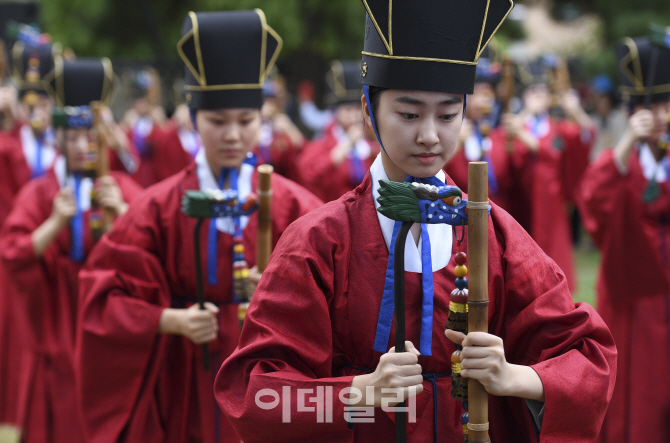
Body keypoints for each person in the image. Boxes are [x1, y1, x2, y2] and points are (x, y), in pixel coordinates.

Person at [215, 1, 616, 442]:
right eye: (408, 114)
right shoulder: (318, 240)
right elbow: (254, 395)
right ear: (370, 111)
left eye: (447, 115)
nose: (429, 135)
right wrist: (359, 392)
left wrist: (515, 376)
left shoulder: (493, 233)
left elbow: (590, 358)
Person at [74, 10, 323, 443]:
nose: (232, 135)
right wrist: (169, 319)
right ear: (193, 119)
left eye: (245, 121)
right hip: (188, 376)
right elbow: (104, 296)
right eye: (217, 121)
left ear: (262, 120)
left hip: (270, 378)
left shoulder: (295, 205)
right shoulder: (158, 208)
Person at [0, 57, 142, 443]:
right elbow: (11, 252)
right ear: (58, 137)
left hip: (111, 319)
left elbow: (153, 250)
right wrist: (53, 224)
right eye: (73, 137)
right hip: (58, 320)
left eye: (90, 136)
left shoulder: (121, 189)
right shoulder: (42, 191)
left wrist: (122, 214)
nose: (83, 146)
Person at [576, 35, 670, 443]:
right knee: (638, 376)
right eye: (654, 108)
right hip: (634, 280)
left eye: (668, 107)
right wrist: (628, 139)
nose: (663, 116)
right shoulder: (623, 158)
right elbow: (593, 200)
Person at [500, 59, 596, 291]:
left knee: (554, 262)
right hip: (522, 203)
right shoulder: (517, 124)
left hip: (552, 205)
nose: (539, 96)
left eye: (543, 91)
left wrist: (575, 109)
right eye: (533, 91)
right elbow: (506, 156)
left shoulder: (557, 127)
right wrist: (524, 116)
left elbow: (586, 136)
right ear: (524, 96)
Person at [297, 60, 379, 202]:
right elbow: (308, 175)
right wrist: (346, 145)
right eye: (347, 109)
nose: (354, 115)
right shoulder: (322, 144)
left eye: (357, 109)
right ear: (335, 112)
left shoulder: (371, 144)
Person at [444, 43, 513, 211]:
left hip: (497, 213)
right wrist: (457, 145)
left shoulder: (499, 134)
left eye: (488, 94)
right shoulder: (449, 131)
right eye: (478, 93)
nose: (485, 100)